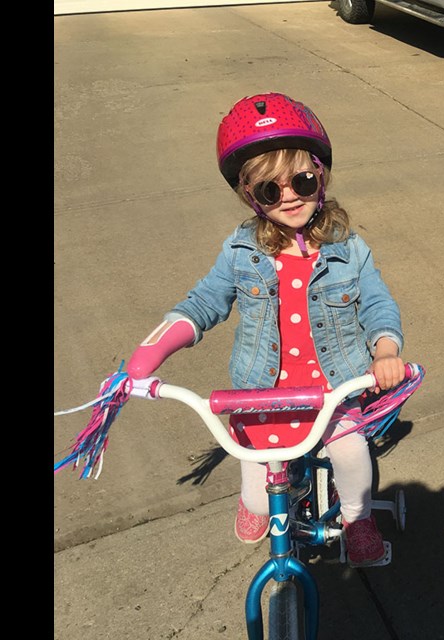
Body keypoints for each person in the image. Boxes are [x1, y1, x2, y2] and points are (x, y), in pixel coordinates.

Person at [125, 92, 406, 567]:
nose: (290, 196)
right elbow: (204, 302)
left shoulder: (349, 249)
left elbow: (378, 304)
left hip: (333, 391)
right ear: (249, 196)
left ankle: (359, 520)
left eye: (301, 180)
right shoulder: (241, 252)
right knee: (258, 499)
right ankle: (262, 496)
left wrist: (384, 350)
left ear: (321, 174)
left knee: (354, 458)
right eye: (271, 190)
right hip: (261, 397)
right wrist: (148, 354)